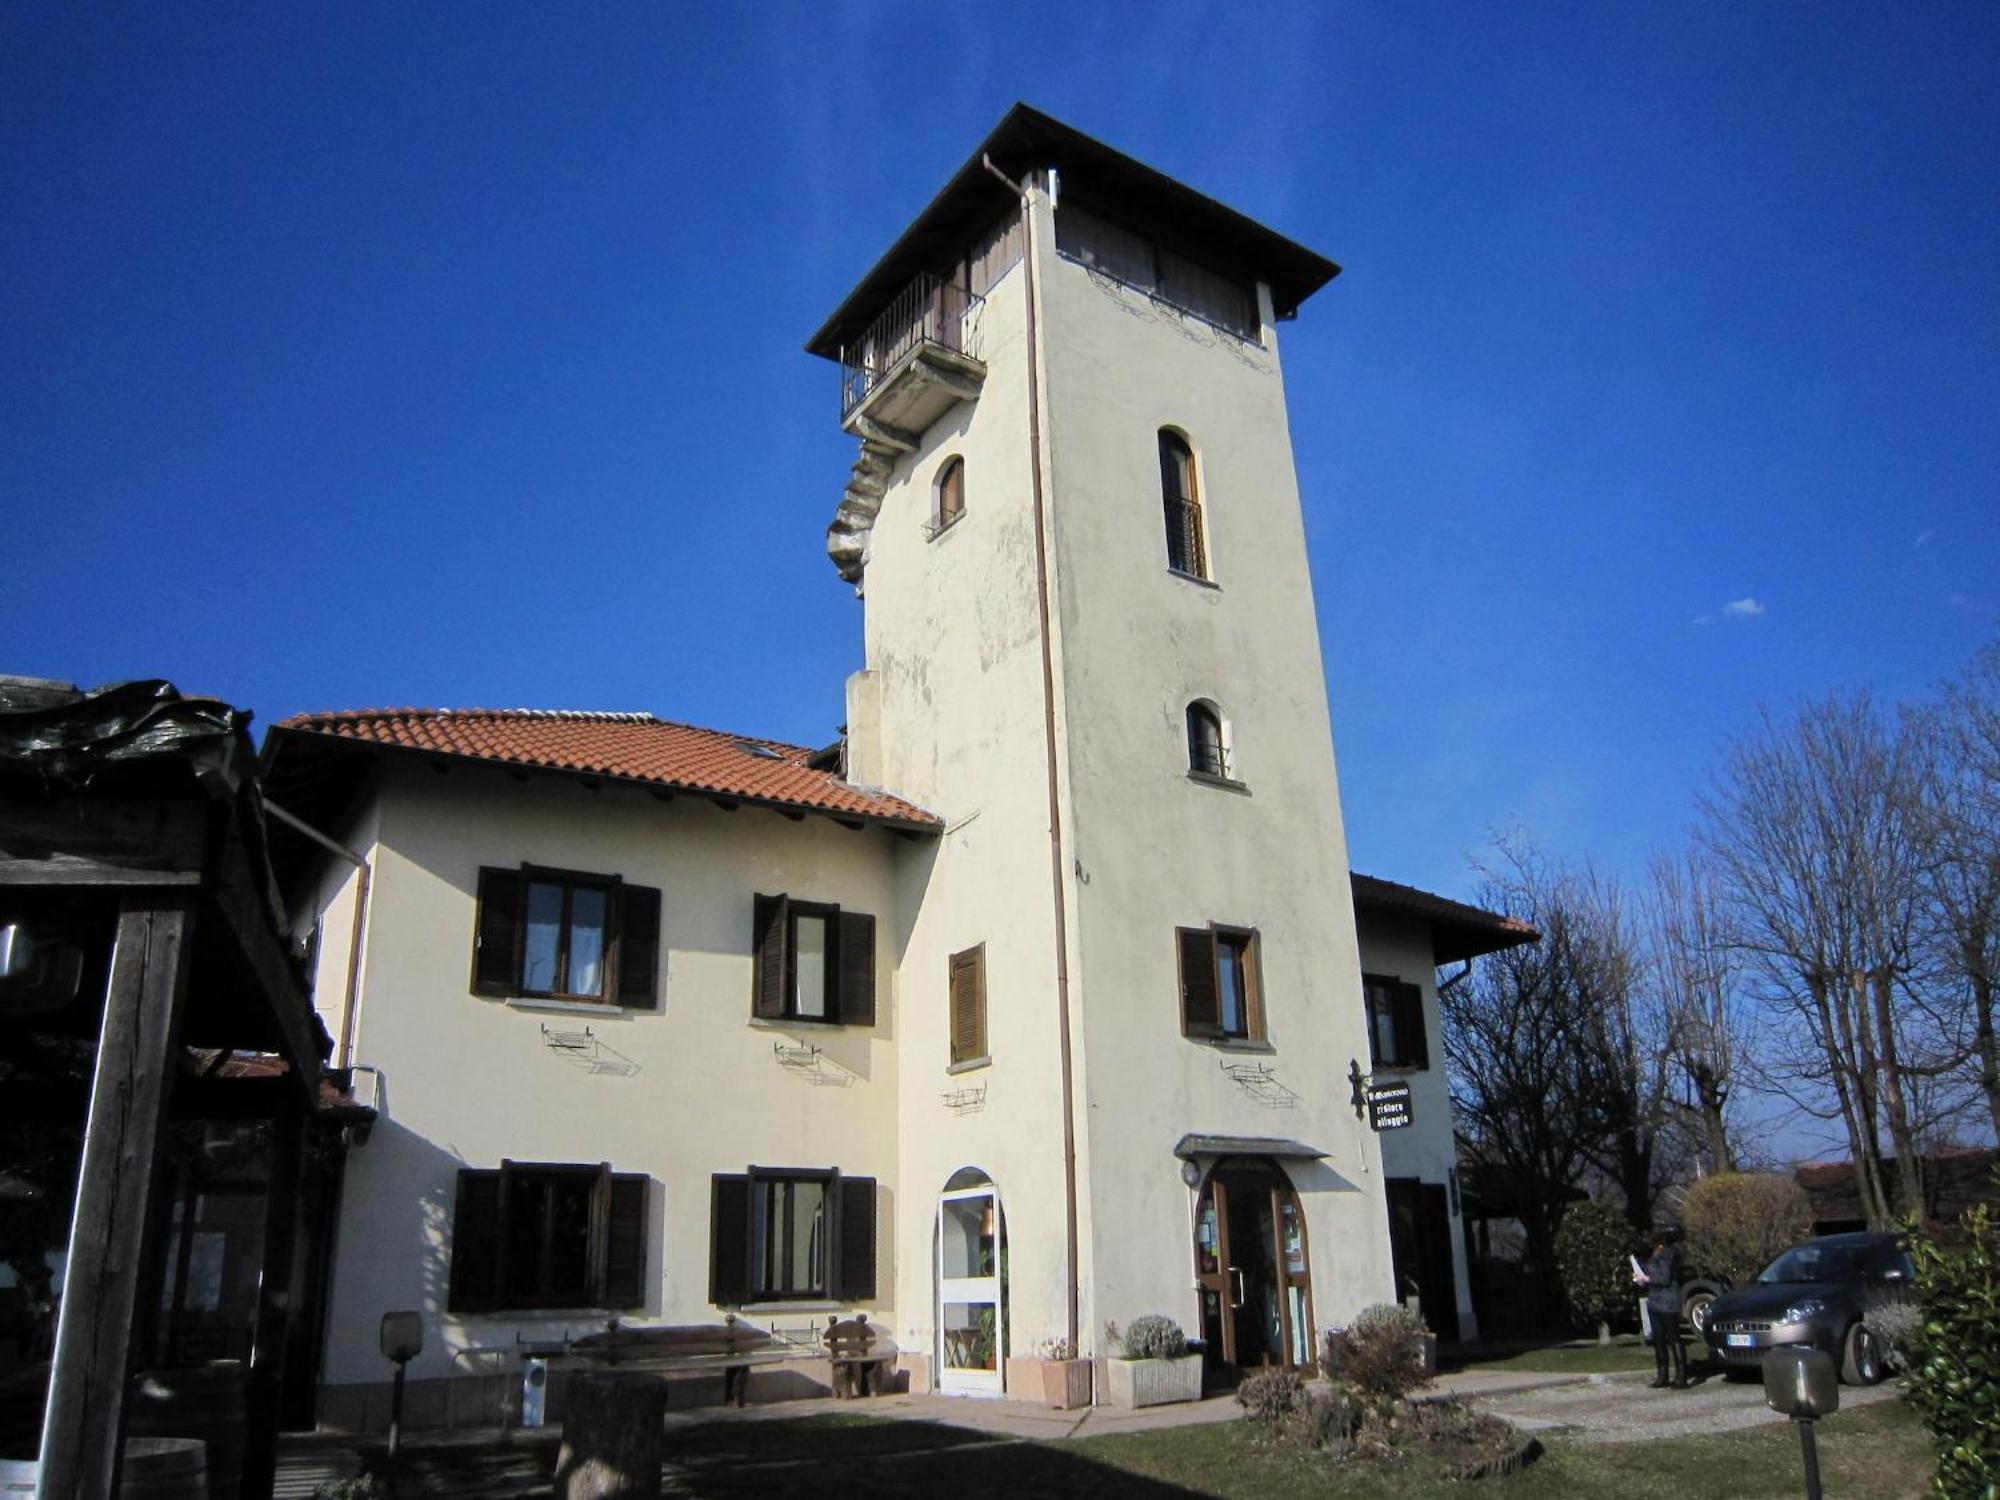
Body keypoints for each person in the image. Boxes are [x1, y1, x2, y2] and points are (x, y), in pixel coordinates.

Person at [1633, 1228, 1687, 1389]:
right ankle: (1662, 1374)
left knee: (1674, 1337)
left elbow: (1664, 1278)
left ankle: (1681, 1375)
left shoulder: (1668, 1255)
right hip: (1655, 1299)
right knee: (1658, 1339)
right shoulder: (1655, 1255)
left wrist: (1647, 1278)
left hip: (1668, 1300)